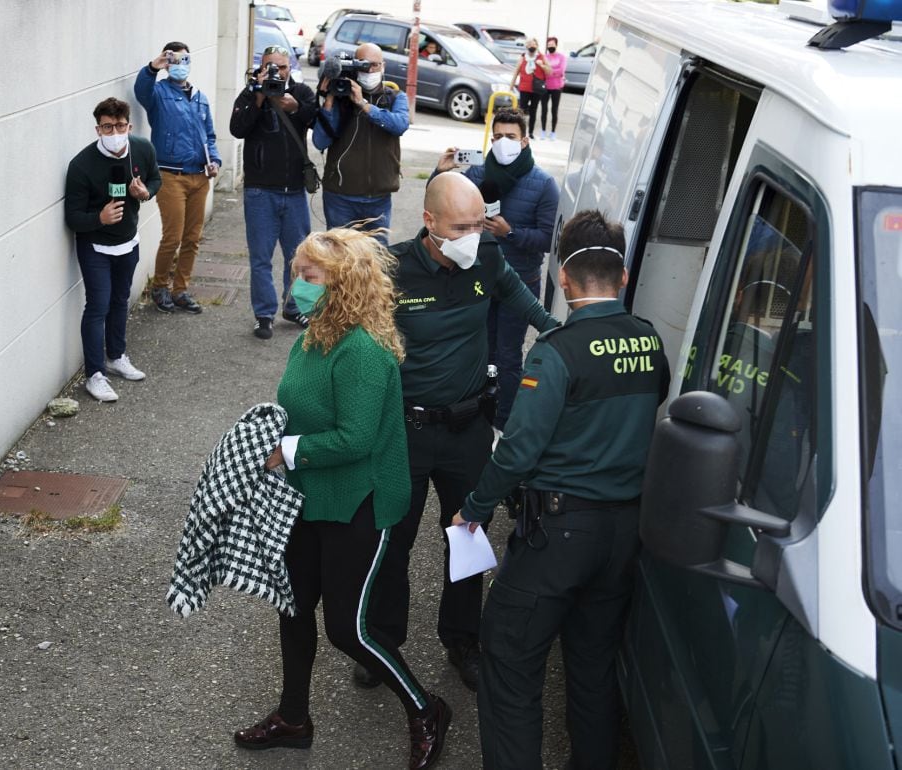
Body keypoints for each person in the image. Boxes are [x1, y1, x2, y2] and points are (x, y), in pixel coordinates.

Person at [451, 210, 670, 769]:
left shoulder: (556, 351)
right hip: (624, 534)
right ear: (623, 280)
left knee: (508, 654)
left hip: (559, 534)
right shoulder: (649, 343)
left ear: (564, 282)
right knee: (594, 666)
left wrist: (473, 510)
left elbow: (518, 450)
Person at [233, 229, 451, 770]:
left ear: (343, 283)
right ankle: (293, 718)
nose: (298, 284)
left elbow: (355, 438)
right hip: (311, 498)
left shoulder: (361, 351)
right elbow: (300, 407)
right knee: (293, 605)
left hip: (360, 502)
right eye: (297, 274)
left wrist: (286, 451)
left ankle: (427, 709)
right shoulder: (316, 334)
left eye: (309, 276)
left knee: (348, 630)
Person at [356, 172, 559, 693]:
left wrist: (578, 339)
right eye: (462, 226)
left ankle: (462, 641)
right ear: (429, 222)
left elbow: (531, 310)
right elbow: (356, 342)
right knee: (391, 540)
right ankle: (380, 640)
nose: (475, 234)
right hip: (404, 429)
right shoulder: (391, 270)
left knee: (467, 537)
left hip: (468, 426)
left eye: (479, 223)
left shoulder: (487, 256)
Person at [435, 108, 559, 430]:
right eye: (499, 136)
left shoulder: (544, 184)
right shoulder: (476, 175)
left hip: (521, 282)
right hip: (477, 279)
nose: (504, 143)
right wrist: (441, 173)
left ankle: (504, 423)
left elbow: (548, 239)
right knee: (477, 349)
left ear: (525, 140)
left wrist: (510, 232)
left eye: (511, 137)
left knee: (507, 356)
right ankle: (477, 414)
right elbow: (441, 208)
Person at [63, 97, 161, 403]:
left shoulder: (142, 148)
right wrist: (99, 218)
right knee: (98, 306)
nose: (114, 132)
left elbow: (156, 179)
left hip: (128, 241)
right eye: (108, 126)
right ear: (98, 129)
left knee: (120, 300)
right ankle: (95, 374)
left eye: (120, 126)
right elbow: (72, 217)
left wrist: (146, 192)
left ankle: (116, 356)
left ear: (129, 126)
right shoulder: (81, 165)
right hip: (95, 246)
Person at [229, 44, 319, 340]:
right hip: (259, 191)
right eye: (269, 66)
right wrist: (258, 95)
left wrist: (295, 107)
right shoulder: (251, 93)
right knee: (261, 258)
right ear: (260, 67)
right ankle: (264, 314)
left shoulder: (301, 92)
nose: (275, 72)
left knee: (299, 257)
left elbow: (316, 119)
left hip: (293, 190)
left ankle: (294, 307)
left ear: (290, 67)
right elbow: (237, 129)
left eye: (280, 67)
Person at [134, 41, 221, 314]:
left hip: (199, 176)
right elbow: (140, 91)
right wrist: (152, 67)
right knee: (173, 236)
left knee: (192, 237)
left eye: (184, 60)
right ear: (167, 62)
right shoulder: (158, 93)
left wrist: (215, 160)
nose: (180, 66)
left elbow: (209, 135)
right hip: (170, 175)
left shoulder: (200, 97)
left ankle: (180, 289)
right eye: (174, 60)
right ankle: (160, 287)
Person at [313, 43, 409, 245]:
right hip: (340, 197)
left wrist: (364, 105)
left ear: (383, 66)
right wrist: (329, 101)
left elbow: (400, 125)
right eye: (364, 65)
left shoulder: (394, 97)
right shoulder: (341, 98)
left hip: (379, 199)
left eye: (375, 65)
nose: (370, 70)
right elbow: (320, 141)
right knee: (339, 261)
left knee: (376, 261)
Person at [514, 39, 545, 139]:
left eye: (534, 44)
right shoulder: (523, 57)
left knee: (533, 110)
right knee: (522, 110)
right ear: (526, 46)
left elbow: (549, 71)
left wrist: (542, 65)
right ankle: (521, 131)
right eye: (530, 44)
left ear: (537, 45)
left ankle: (530, 132)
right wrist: (511, 85)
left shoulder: (541, 57)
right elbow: (516, 71)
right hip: (524, 87)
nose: (532, 46)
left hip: (536, 88)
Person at [537, 37, 567, 140]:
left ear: (556, 45)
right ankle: (543, 131)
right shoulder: (544, 57)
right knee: (544, 109)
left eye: (552, 45)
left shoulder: (561, 57)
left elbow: (561, 70)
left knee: (554, 109)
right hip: (545, 86)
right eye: (549, 45)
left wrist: (549, 71)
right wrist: (552, 71)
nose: (550, 47)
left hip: (557, 87)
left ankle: (553, 132)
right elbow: (542, 71)